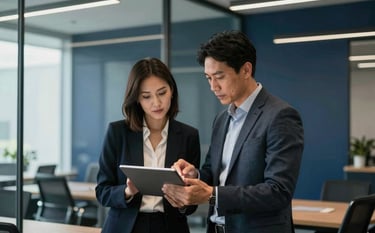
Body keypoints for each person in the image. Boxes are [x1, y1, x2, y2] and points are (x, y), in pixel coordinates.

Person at [162, 30, 304, 233]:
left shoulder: (280, 116)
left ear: (246, 70)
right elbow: (214, 174)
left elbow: (278, 191)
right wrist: (196, 174)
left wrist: (212, 194)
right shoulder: (222, 119)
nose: (213, 86)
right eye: (208, 78)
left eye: (219, 77)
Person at [96, 57, 201, 233]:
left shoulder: (189, 136)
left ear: (172, 91)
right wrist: (127, 191)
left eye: (162, 93)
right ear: (136, 98)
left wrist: (183, 199)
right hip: (125, 227)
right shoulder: (118, 132)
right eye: (146, 96)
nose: (156, 103)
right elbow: (102, 192)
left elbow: (191, 206)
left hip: (170, 227)